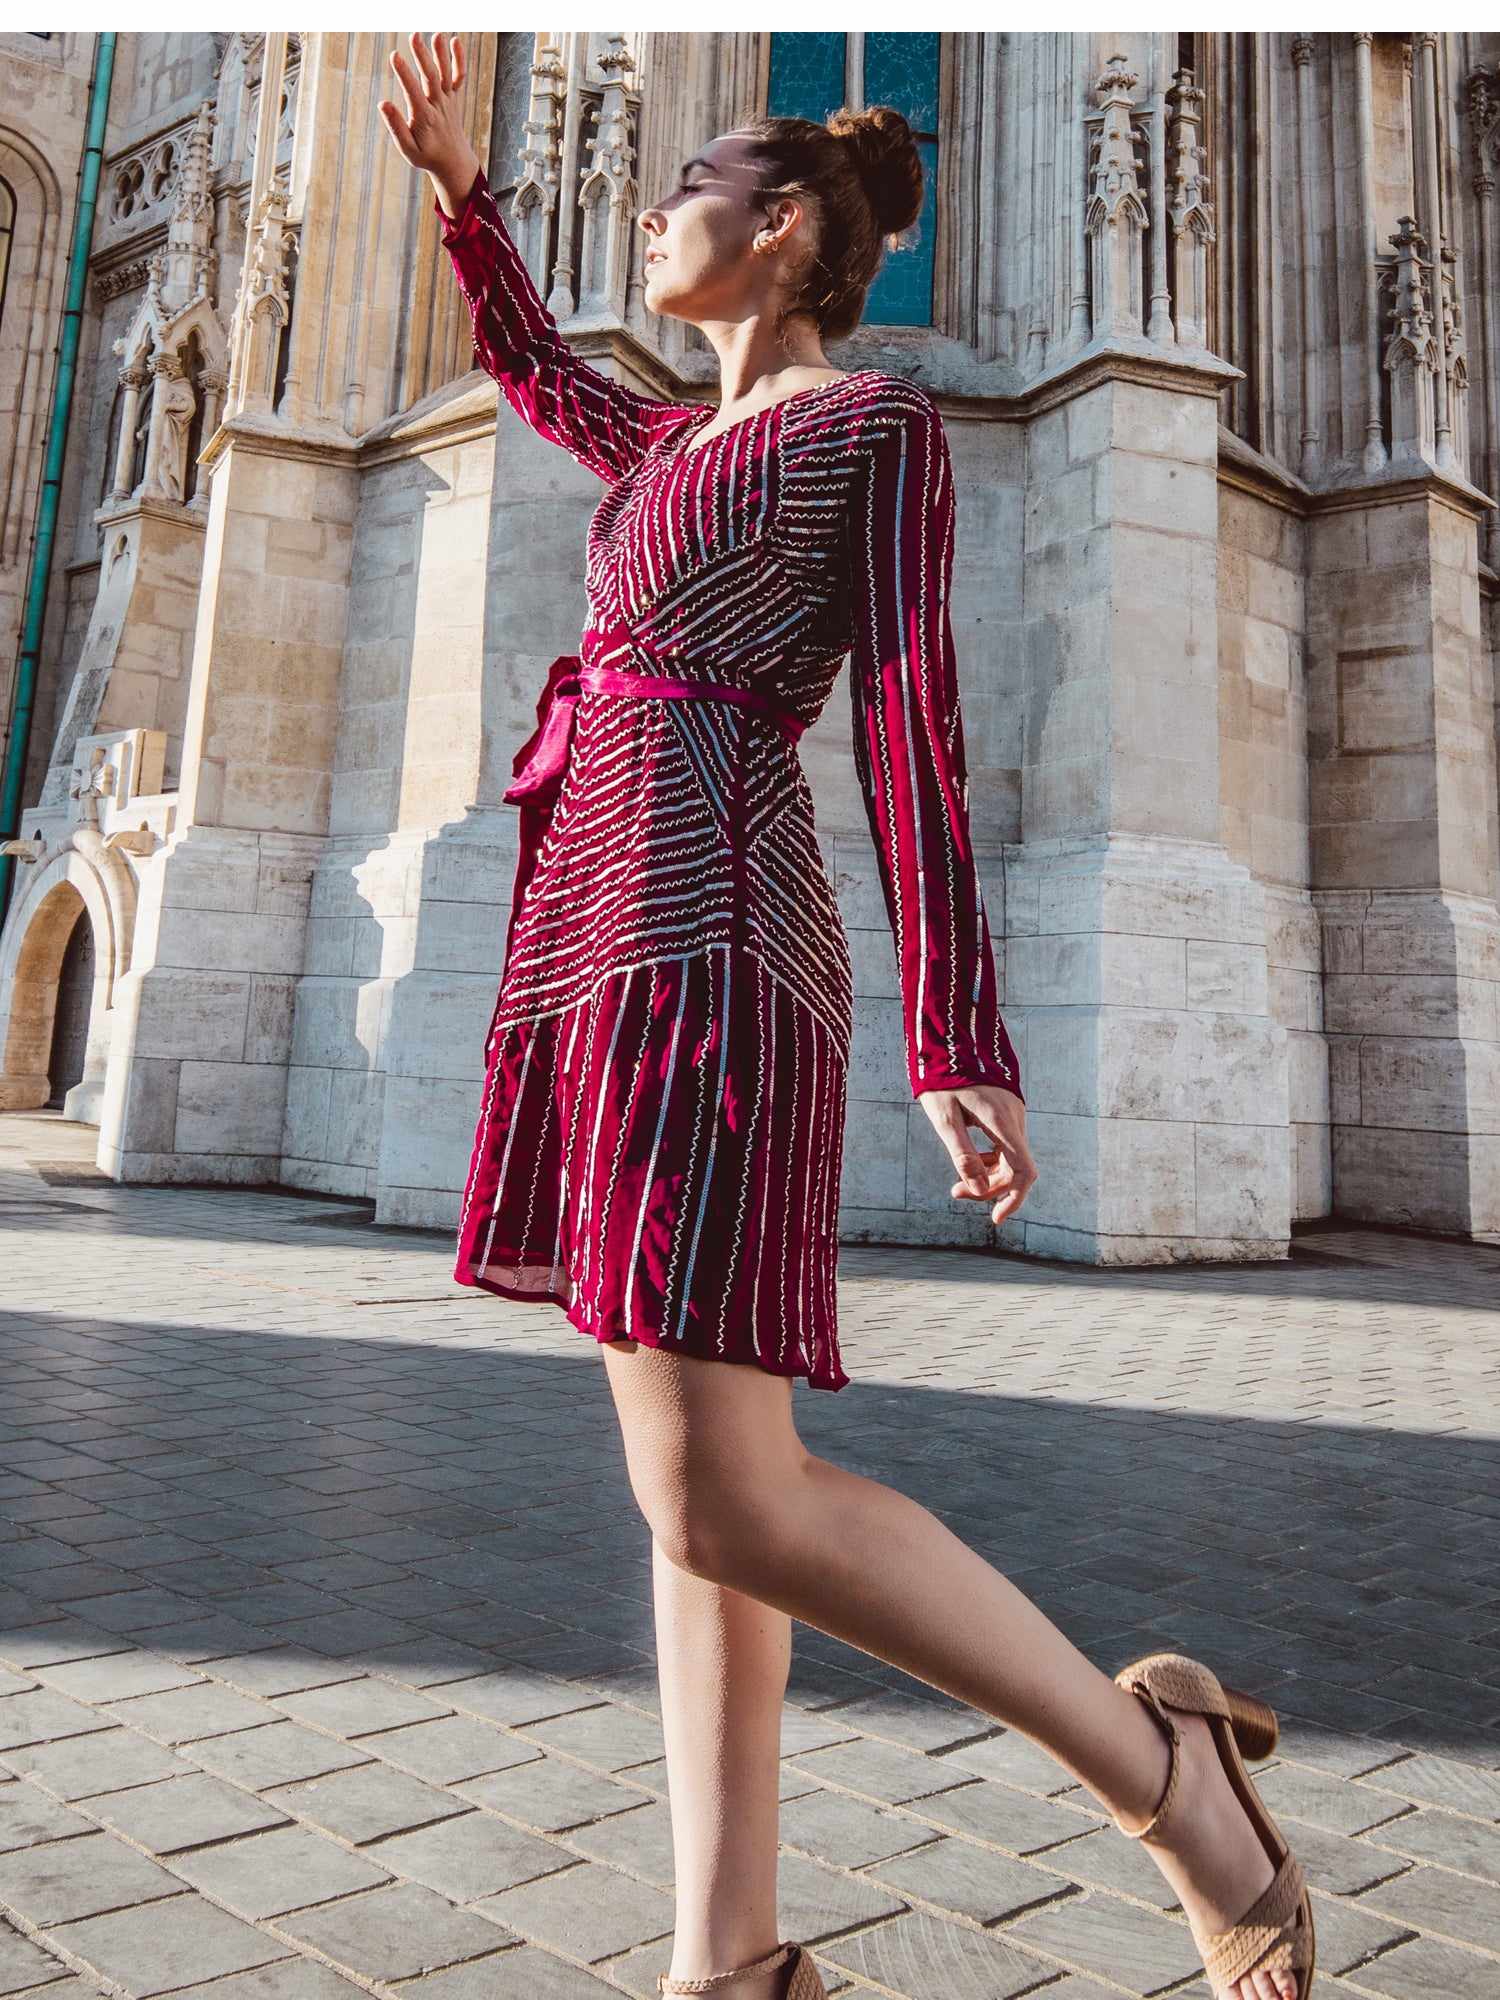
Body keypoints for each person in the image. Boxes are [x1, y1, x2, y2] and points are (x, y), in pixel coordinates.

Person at [379, 33, 1313, 2000]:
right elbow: (543, 379)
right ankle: (730, 1960)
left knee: (722, 1489)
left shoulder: (867, 433)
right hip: (591, 946)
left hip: (716, 943)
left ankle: (1169, 1772)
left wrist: (958, 1031)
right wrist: (468, 204)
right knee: (698, 1483)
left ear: (781, 226)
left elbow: (906, 726)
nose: (652, 214)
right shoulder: (669, 444)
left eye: (685, 189)